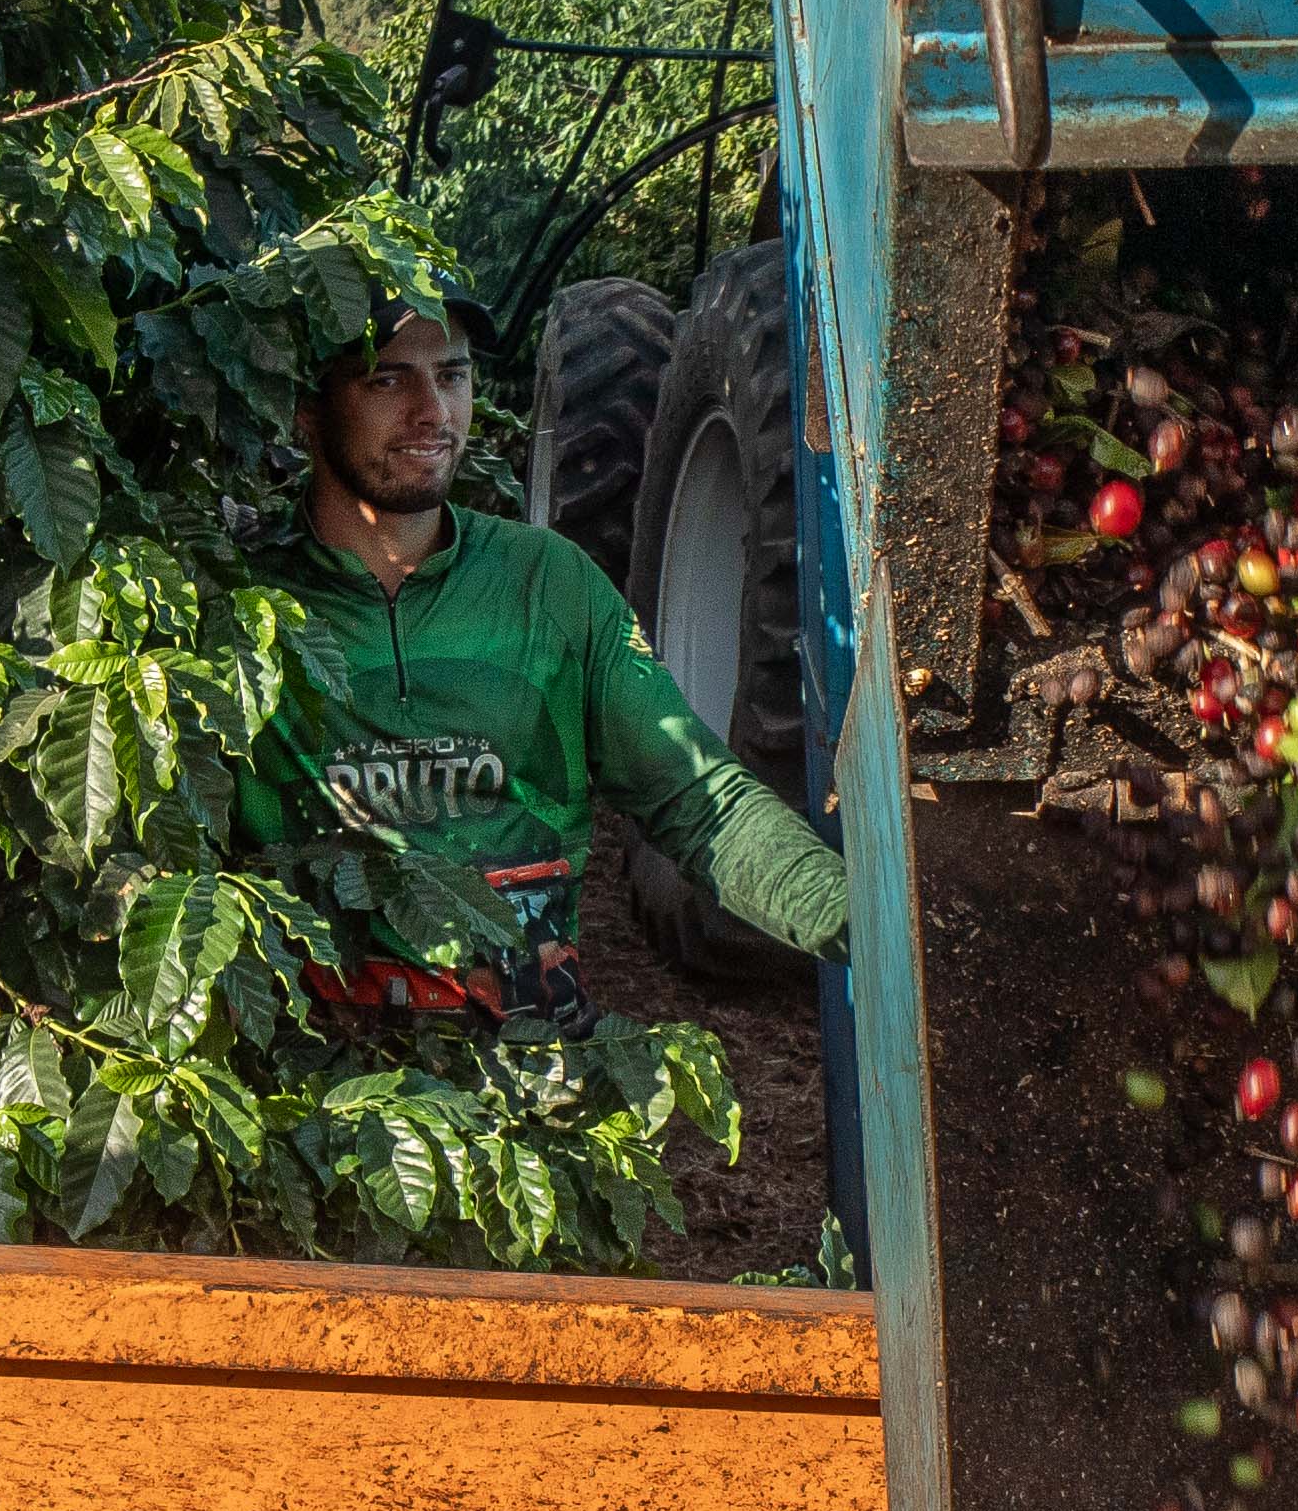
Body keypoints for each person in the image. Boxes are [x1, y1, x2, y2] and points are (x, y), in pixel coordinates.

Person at [239, 309, 847, 1021]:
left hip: (523, 1072)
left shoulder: (548, 582)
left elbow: (695, 798)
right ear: (309, 412)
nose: (432, 412)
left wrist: (860, 918)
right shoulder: (237, 611)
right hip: (313, 1099)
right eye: (387, 380)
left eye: (453, 376)